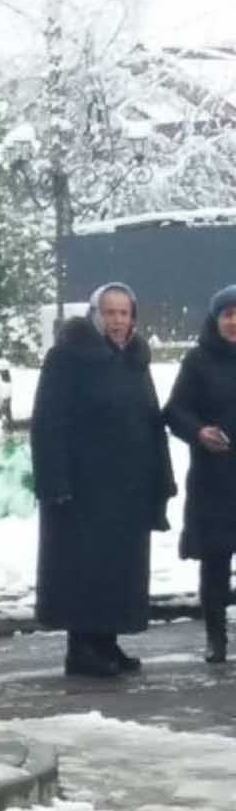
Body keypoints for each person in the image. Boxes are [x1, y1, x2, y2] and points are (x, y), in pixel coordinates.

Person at [30, 283, 174, 679]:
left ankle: (106, 641)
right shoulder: (67, 357)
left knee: (118, 570)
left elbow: (149, 418)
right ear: (95, 315)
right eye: (109, 313)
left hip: (128, 488)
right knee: (84, 568)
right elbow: (48, 422)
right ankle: (81, 649)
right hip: (83, 488)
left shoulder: (134, 358)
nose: (117, 321)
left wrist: (159, 477)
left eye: (124, 313)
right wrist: (54, 480)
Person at [163, 283, 236, 664]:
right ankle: (215, 638)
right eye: (228, 314)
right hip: (215, 478)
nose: (234, 322)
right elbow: (175, 411)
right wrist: (199, 431)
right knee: (215, 560)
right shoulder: (198, 361)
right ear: (216, 319)